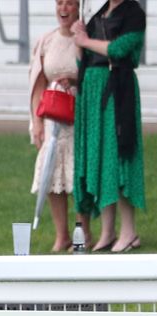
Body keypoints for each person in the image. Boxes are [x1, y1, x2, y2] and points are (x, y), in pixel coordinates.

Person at [72, 0, 146, 252]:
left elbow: (119, 48)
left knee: (119, 157)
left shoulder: (134, 13)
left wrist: (86, 41)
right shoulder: (100, 14)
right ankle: (107, 231)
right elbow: (83, 59)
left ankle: (129, 231)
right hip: (93, 92)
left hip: (118, 91)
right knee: (101, 159)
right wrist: (78, 39)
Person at [29, 0, 90, 252]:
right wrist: (37, 121)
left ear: (78, 8)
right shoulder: (46, 40)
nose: (63, 8)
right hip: (54, 116)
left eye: (70, 3)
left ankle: (83, 233)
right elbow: (38, 83)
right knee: (51, 172)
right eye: (59, 3)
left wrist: (74, 78)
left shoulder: (85, 37)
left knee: (79, 173)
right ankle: (61, 234)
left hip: (80, 113)